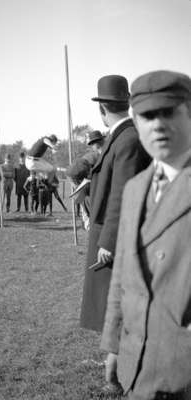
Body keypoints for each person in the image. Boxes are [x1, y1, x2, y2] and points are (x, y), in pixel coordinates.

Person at [101, 70, 191, 400]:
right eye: (147, 115)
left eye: (168, 112)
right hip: (136, 362)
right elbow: (122, 275)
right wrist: (113, 345)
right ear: (135, 123)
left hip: (181, 372)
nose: (157, 124)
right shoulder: (136, 188)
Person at [80, 75, 151, 332]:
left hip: (115, 238)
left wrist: (108, 240)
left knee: (118, 306)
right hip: (111, 232)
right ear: (127, 103)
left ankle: (121, 359)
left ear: (101, 109)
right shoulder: (122, 136)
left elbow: (123, 194)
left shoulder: (127, 139)